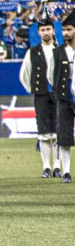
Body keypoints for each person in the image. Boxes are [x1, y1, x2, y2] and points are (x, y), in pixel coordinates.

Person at [19, 18, 61, 178]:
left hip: (59, 96)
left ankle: (57, 167)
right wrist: (33, 89)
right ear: (38, 32)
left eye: (48, 29)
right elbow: (24, 74)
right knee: (43, 132)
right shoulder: (32, 52)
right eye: (43, 30)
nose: (46, 32)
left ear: (53, 30)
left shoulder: (62, 50)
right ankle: (46, 167)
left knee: (57, 132)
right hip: (41, 95)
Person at [51, 12, 75, 183]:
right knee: (64, 136)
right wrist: (58, 92)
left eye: (69, 29)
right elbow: (50, 75)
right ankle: (66, 172)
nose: (65, 33)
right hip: (64, 98)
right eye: (64, 30)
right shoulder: (58, 52)